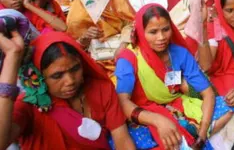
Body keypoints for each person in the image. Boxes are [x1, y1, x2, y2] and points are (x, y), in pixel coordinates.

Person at [114, 4, 234, 149]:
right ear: (141, 32)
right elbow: (122, 102)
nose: (161, 37)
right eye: (153, 32)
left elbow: (207, 92)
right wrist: (158, 120)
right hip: (143, 114)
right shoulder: (129, 58)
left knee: (228, 107)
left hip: (177, 105)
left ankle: (193, 134)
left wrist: (203, 133)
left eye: (166, 29)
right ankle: (188, 134)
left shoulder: (178, 53)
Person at [0, 31, 135, 149]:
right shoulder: (29, 105)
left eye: (75, 69)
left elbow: (121, 138)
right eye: (57, 76)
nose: (70, 81)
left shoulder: (100, 88)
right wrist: (13, 56)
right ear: (38, 76)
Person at [66, 0, 135, 74]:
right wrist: (85, 36)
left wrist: (123, 45)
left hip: (123, 46)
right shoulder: (78, 7)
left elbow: (132, 22)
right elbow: (74, 44)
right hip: (96, 58)